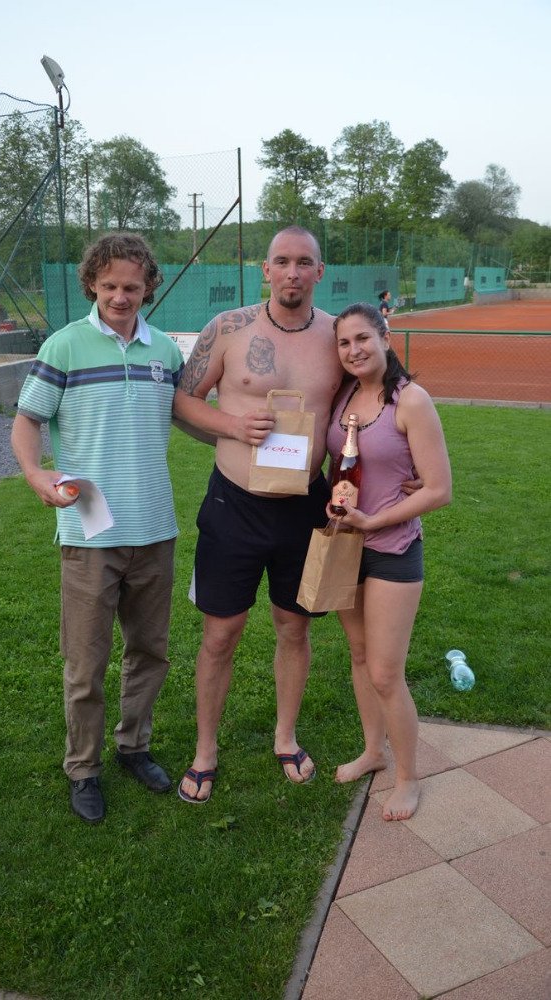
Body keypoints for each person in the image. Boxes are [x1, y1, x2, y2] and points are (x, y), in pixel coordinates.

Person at [11, 233, 185, 824]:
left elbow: (190, 417)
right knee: (85, 664)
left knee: (150, 652)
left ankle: (133, 746)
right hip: (90, 536)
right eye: (109, 285)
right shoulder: (63, 345)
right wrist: (35, 473)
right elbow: (27, 421)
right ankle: (83, 768)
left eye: (131, 286)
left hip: (155, 528)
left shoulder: (165, 350)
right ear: (91, 284)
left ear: (148, 287)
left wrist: (248, 433)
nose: (120, 296)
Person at [174, 226, 345, 803]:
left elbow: (375, 403)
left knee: (294, 628)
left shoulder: (338, 336)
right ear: (265, 270)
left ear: (319, 271)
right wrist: (232, 425)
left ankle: (285, 737)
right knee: (220, 633)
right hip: (234, 504)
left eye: (304, 262)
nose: (293, 272)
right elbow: (181, 399)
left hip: (305, 507)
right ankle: (205, 750)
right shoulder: (228, 328)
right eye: (282, 261)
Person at [326, 302, 452, 821]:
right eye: (344, 342)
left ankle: (407, 778)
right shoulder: (343, 395)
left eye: (363, 338)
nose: (353, 350)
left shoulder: (411, 400)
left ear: (385, 337)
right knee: (359, 656)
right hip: (344, 546)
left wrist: (375, 520)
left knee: (384, 672)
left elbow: (439, 489)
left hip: (392, 548)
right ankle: (372, 751)